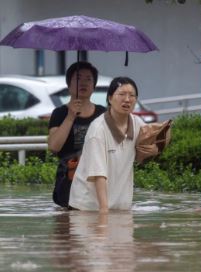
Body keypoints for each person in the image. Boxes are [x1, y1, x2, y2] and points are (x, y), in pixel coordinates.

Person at [68, 77, 146, 213]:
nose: (127, 99)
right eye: (121, 94)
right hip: (88, 208)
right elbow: (99, 175)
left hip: (119, 207)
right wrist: (103, 213)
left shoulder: (137, 123)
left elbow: (152, 141)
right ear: (110, 98)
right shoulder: (98, 130)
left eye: (132, 95)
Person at [48, 62, 106, 208]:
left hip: (96, 179)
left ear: (94, 86)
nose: (84, 83)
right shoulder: (60, 113)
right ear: (69, 84)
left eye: (89, 79)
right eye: (78, 78)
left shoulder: (103, 114)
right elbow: (54, 146)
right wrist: (70, 116)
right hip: (69, 180)